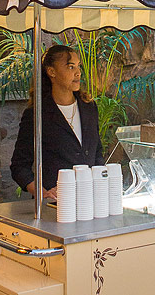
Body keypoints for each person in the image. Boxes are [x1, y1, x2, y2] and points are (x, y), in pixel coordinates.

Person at [10, 44, 103, 202]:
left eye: (78, 66)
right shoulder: (37, 115)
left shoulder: (89, 107)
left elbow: (97, 153)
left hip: (91, 200)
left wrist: (101, 183)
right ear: (51, 72)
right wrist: (42, 193)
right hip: (55, 206)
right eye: (70, 67)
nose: (78, 73)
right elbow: (19, 166)